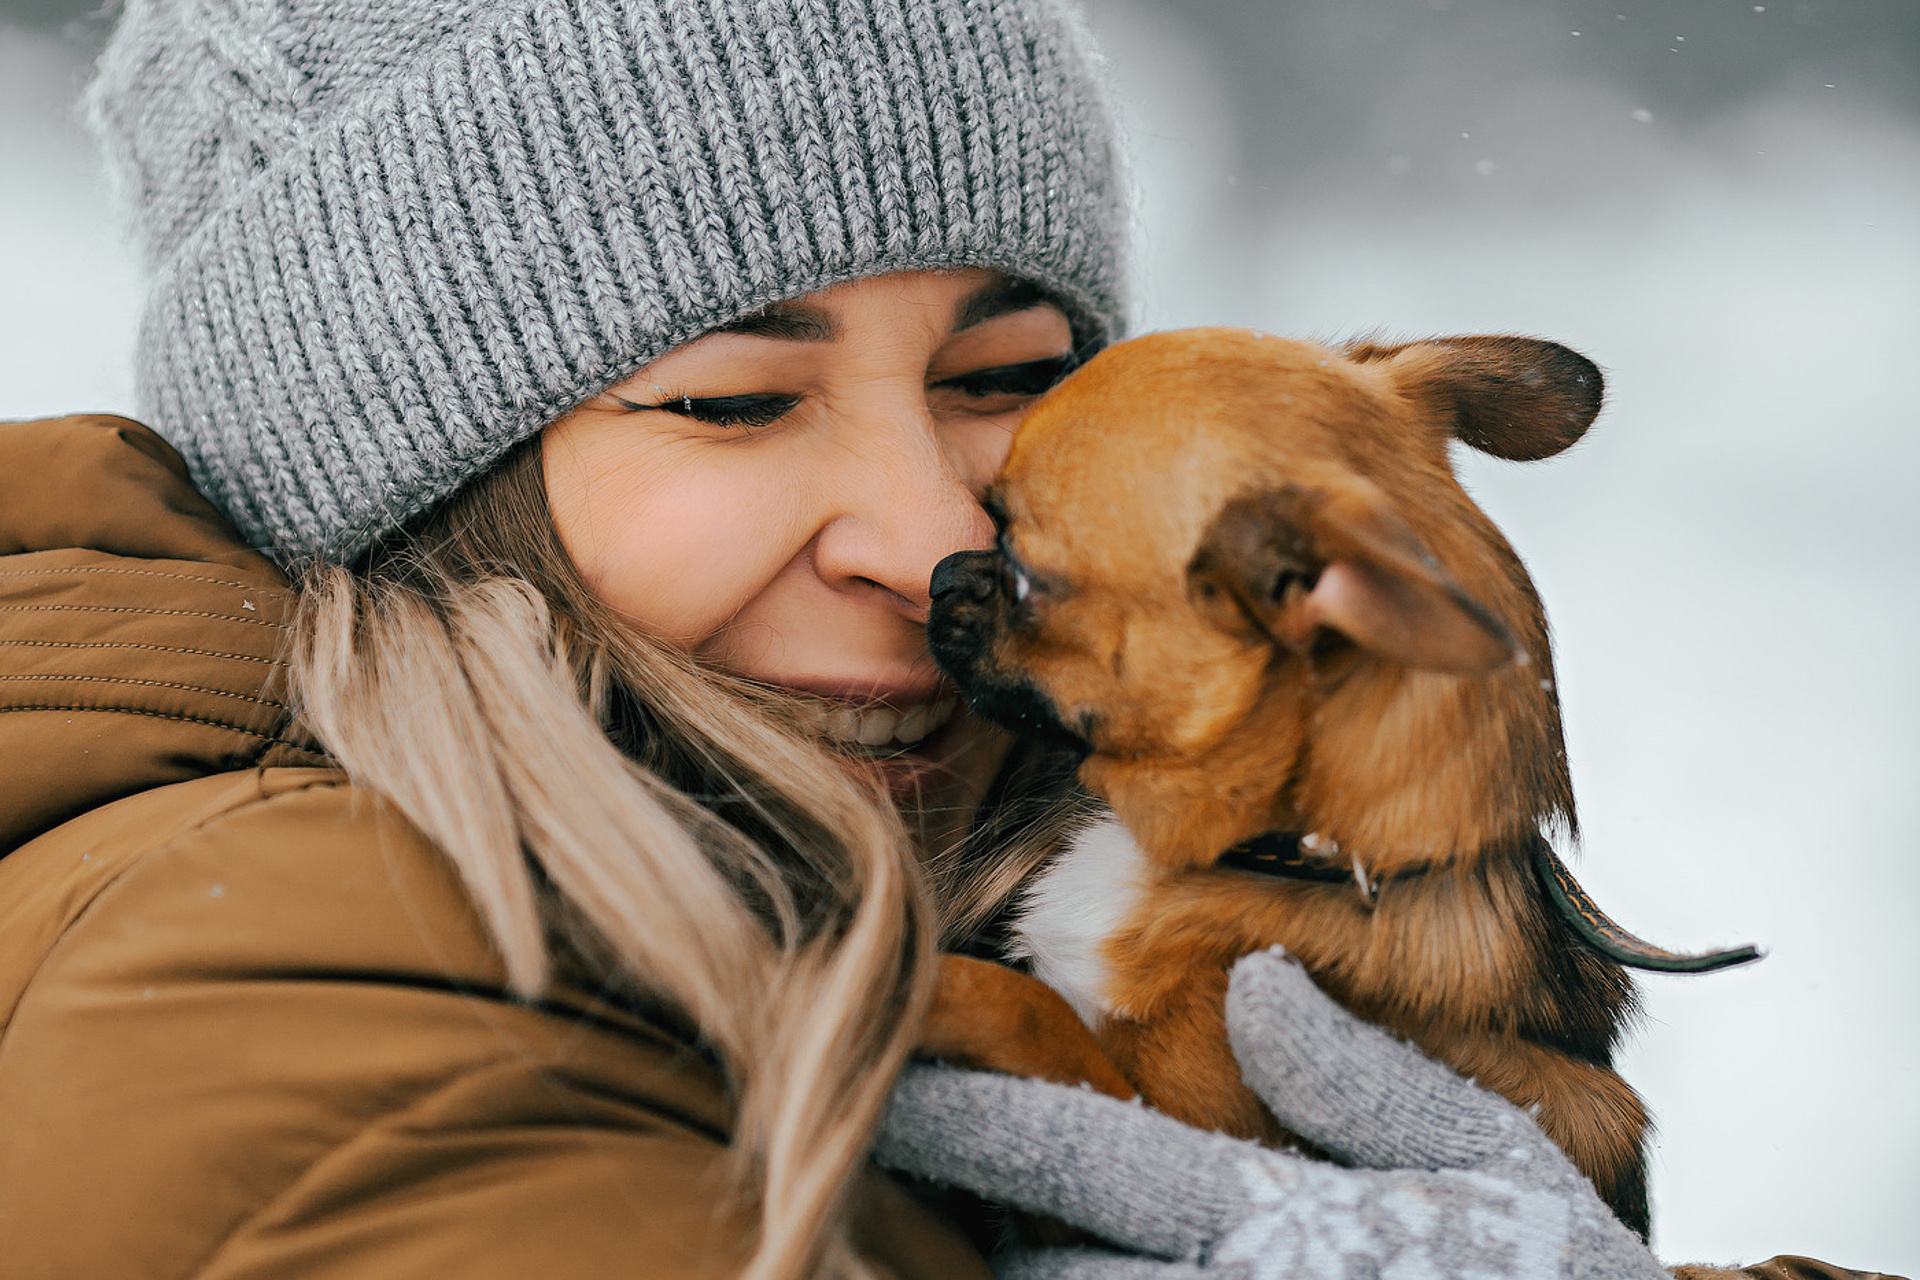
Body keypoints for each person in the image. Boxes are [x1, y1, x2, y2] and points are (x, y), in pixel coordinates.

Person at [0, 0, 1893, 1277]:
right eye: (734, 404)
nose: (928, 541)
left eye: (1004, 378)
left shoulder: (1038, 872)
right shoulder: (293, 994)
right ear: (402, 483)